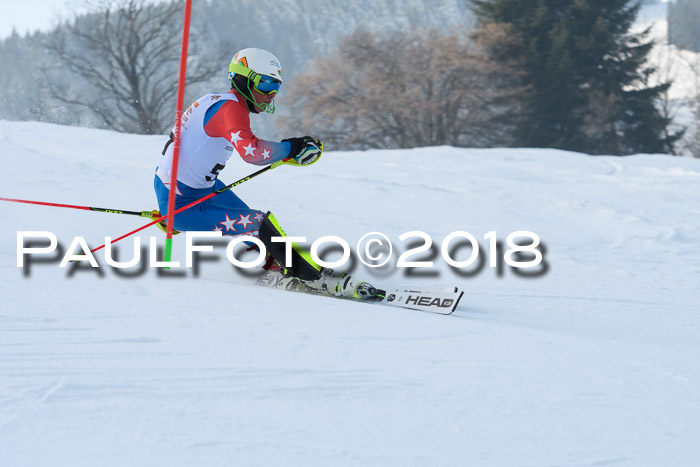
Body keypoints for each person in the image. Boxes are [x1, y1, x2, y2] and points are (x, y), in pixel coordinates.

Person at [154, 48, 376, 299]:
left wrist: (167, 205)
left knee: (251, 224)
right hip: (183, 201)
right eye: (266, 83)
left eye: (276, 86)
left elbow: (178, 156)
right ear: (243, 79)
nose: (271, 95)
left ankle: (270, 263)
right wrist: (292, 147)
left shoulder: (214, 100)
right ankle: (314, 278)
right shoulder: (231, 110)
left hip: (188, 191)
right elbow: (253, 153)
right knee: (259, 223)